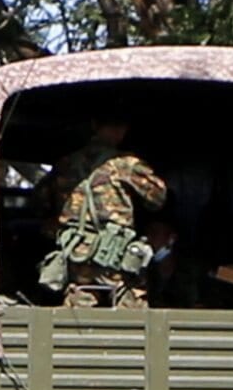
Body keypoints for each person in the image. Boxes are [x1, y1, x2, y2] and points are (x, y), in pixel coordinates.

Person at [33, 116, 166, 308]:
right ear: (124, 129)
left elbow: (39, 202)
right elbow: (158, 199)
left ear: (94, 126)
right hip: (117, 256)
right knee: (130, 312)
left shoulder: (66, 163)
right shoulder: (126, 164)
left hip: (77, 254)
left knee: (77, 310)